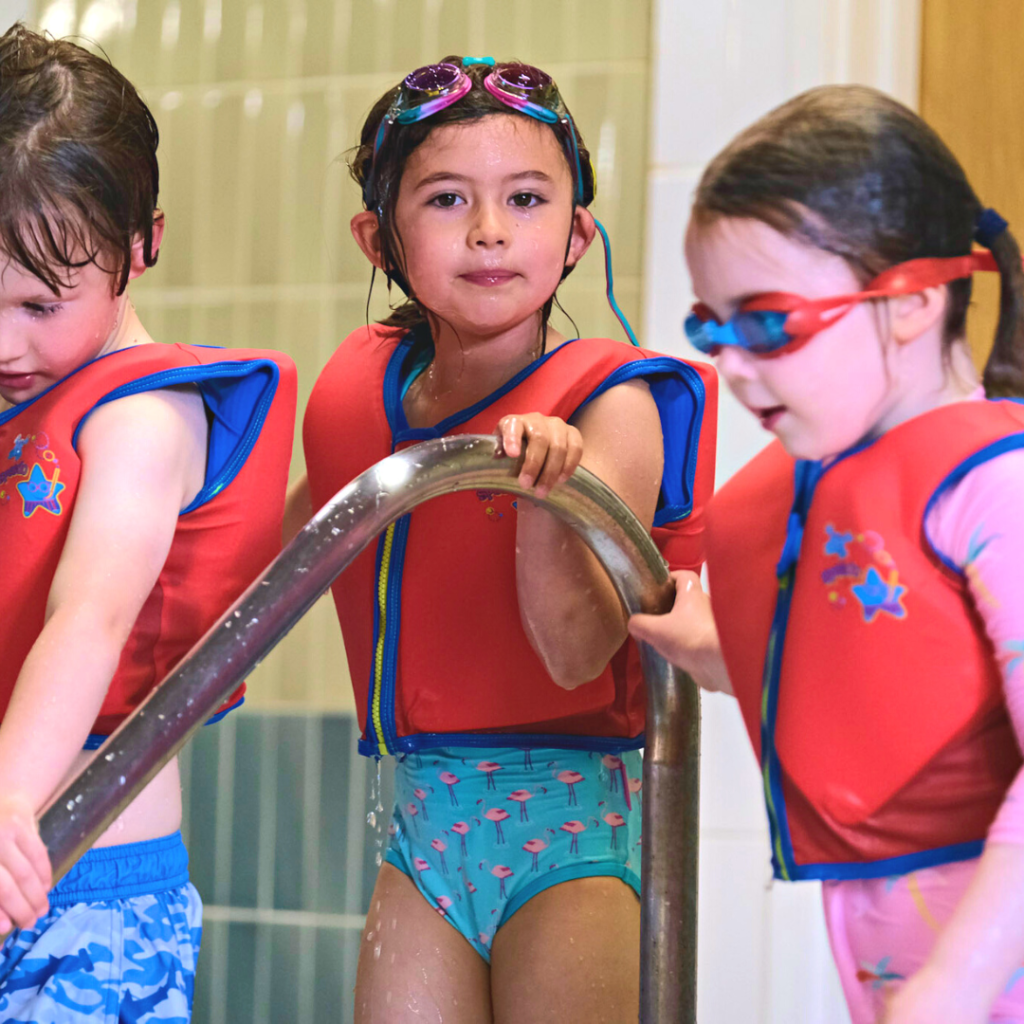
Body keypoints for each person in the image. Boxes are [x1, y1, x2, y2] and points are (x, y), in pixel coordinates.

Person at [286, 57, 717, 1023]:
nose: (488, 230)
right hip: (421, 823)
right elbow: (272, 580)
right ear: (379, 237)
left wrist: (546, 495)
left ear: (575, 236)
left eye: (525, 198)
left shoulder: (613, 408)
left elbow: (573, 654)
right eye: (446, 200)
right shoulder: (367, 396)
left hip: (571, 830)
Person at [629, 84, 1024, 1024]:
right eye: (710, 327)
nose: (730, 360)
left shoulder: (995, 484)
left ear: (915, 301)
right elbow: (893, 667)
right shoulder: (834, 477)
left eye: (766, 323)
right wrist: (722, 653)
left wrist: (953, 988)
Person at [0, 24, 296, 1021]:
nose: (5, 340)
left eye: (43, 301)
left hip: (86, 893)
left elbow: (89, 617)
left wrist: (4, 800)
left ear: (142, 246)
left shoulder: (141, 416)